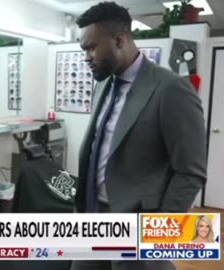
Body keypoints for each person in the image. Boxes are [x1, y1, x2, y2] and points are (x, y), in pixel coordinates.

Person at [72, 2, 206, 270]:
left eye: (91, 47)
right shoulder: (103, 86)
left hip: (138, 225)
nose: (86, 56)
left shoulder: (171, 89)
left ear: (119, 40)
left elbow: (190, 171)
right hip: (93, 216)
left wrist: (160, 232)